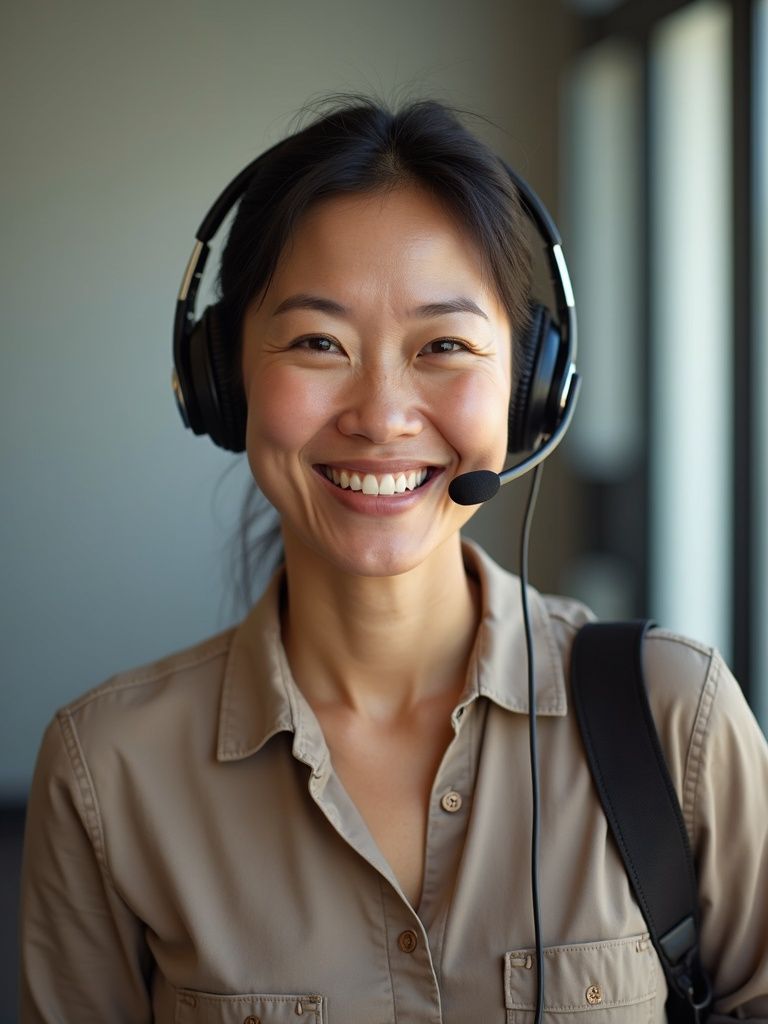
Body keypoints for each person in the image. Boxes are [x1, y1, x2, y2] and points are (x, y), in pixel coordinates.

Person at [19, 96, 768, 1023]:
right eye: (317, 343)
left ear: (532, 392)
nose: (381, 415)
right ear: (222, 377)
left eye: (445, 345)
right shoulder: (107, 769)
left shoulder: (674, 717)